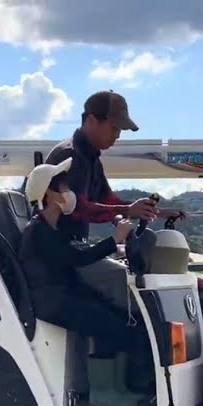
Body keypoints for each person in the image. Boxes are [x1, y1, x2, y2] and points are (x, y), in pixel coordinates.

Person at [19, 157, 149, 406]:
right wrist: (113, 241)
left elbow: (74, 255)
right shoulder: (38, 231)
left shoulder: (52, 228)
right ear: (49, 193)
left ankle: (117, 388)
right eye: (64, 187)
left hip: (65, 295)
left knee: (119, 317)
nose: (70, 193)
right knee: (108, 325)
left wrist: (115, 245)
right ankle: (104, 393)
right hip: (54, 302)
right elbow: (77, 258)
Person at [43, 89, 186, 308]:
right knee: (126, 283)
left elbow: (107, 200)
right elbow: (78, 208)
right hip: (58, 257)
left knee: (123, 276)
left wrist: (151, 211)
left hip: (75, 250)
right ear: (91, 121)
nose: (118, 134)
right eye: (114, 127)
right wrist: (128, 211)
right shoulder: (70, 156)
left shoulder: (90, 159)